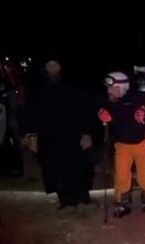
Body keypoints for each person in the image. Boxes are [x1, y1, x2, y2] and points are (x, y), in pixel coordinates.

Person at [21, 58, 95, 211]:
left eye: (55, 65)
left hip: (73, 134)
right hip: (50, 136)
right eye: (50, 66)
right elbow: (31, 112)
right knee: (55, 168)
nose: (53, 69)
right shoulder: (38, 89)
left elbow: (86, 109)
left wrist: (87, 133)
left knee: (80, 167)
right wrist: (31, 135)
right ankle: (66, 201)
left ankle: (82, 197)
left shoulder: (74, 86)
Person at [98, 71, 145, 217]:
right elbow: (97, 112)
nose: (108, 91)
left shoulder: (136, 97)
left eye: (111, 88)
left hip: (142, 141)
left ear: (121, 87)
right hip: (122, 144)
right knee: (121, 174)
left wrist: (143, 110)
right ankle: (122, 202)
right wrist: (102, 117)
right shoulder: (108, 102)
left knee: (144, 173)